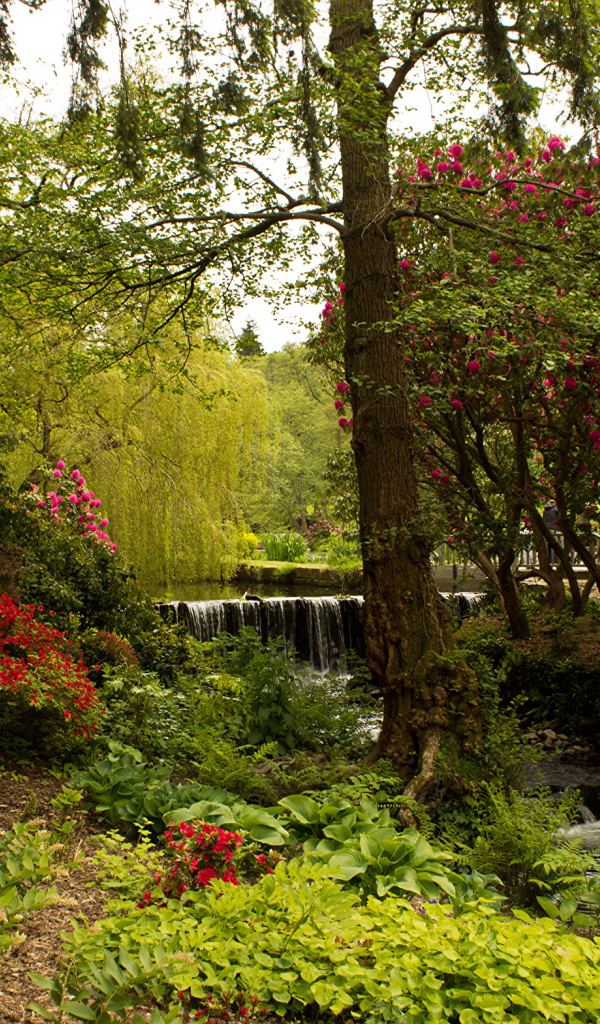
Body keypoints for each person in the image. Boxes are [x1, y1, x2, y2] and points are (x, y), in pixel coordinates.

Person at [543, 498, 560, 565]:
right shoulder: (556, 509)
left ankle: (549, 560)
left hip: (546, 529)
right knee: (556, 545)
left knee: (548, 546)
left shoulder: (545, 509)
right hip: (554, 529)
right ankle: (556, 561)